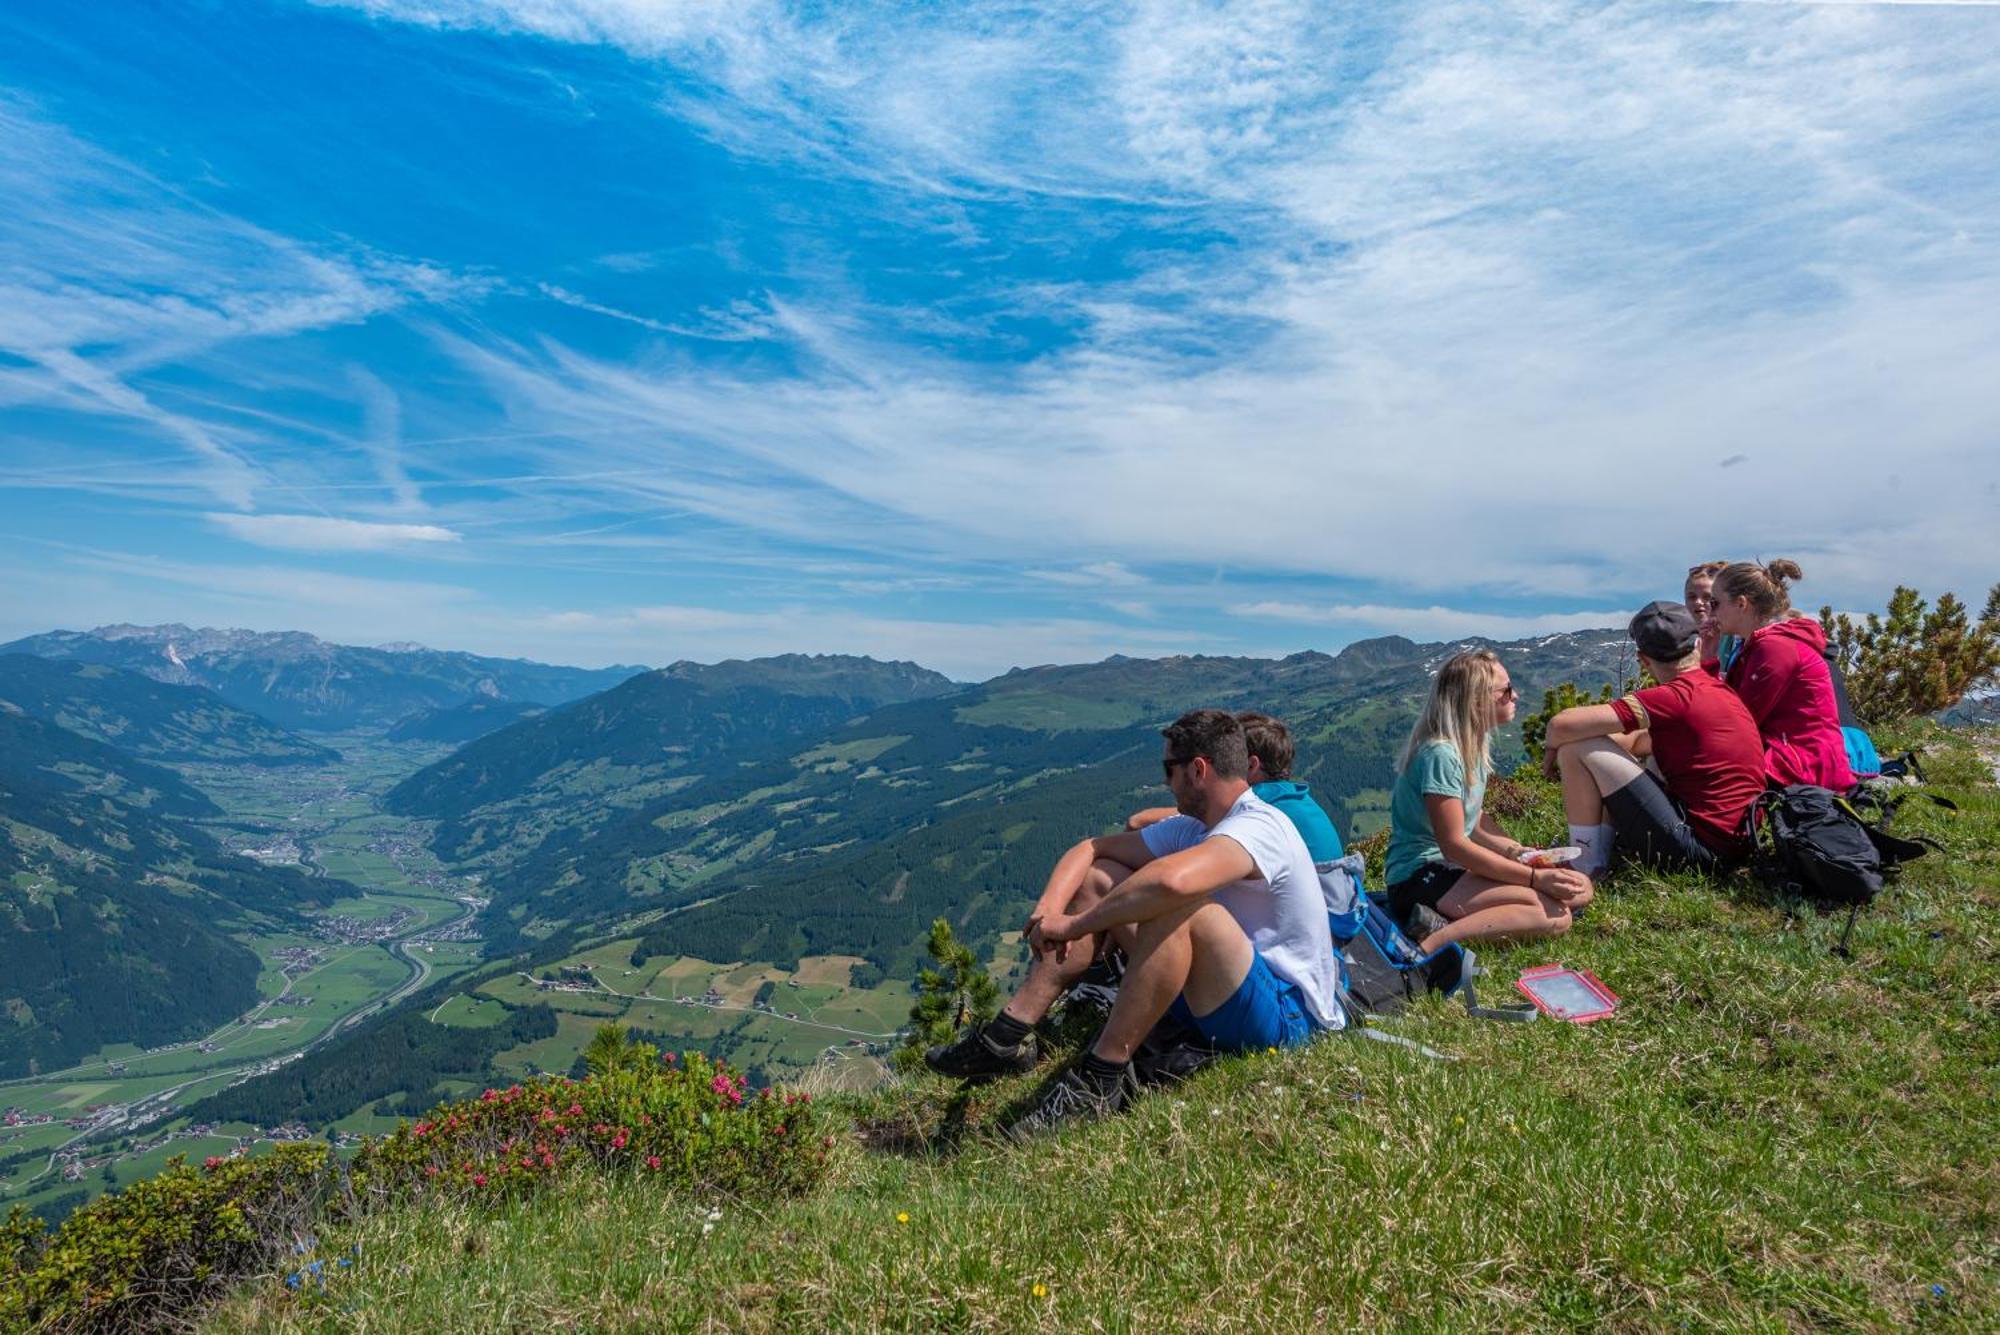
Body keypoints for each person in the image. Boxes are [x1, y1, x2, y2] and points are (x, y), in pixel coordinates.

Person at [924, 709, 1341, 1134]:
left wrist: (1075, 926)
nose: (1165, 782)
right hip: (1223, 995)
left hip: (1286, 1021)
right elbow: (1091, 849)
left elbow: (1173, 883)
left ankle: (1097, 1083)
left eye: (1168, 769)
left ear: (1198, 770)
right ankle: (1006, 1037)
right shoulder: (1194, 827)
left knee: (1180, 906)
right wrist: (1048, 909)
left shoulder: (1260, 825)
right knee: (1100, 878)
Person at [1383, 650, 1593, 951]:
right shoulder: (1441, 755)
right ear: (1476, 701)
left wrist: (1517, 853)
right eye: (1506, 690)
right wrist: (1533, 878)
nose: (1515, 695)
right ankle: (1432, 941)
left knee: (1580, 888)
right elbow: (1454, 843)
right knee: (1553, 915)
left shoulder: (1471, 746)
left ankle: (1447, 921)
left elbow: (1474, 817)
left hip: (1449, 869)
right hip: (1419, 876)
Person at [1541, 602, 1766, 876]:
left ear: (1643, 659)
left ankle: (1586, 864)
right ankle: (1601, 850)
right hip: (1737, 844)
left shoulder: (1674, 696)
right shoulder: (1715, 689)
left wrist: (1554, 754)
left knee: (1576, 747)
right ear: (1697, 645)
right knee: (1597, 745)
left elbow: (1560, 725)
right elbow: (1637, 743)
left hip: (1699, 852)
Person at [1126, 711, 1361, 937]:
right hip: (1337, 910)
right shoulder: (1291, 798)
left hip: (1316, 931)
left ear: (1250, 765)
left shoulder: (1261, 808)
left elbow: (1141, 820)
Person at [1706, 560, 1855, 791]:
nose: (1710, 611)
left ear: (1741, 603)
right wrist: (1708, 657)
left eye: (1715, 603)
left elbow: (1738, 720)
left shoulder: (1775, 647)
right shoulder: (1762, 645)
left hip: (1805, 769)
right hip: (1798, 761)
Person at [1684, 559, 1735, 667]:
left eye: (1707, 597)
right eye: (1692, 597)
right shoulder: (1683, 640)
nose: (1698, 602)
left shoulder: (1734, 638)